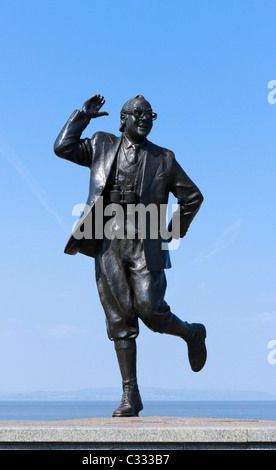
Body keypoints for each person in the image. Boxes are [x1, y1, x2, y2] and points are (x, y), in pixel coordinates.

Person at [54, 94, 206, 417]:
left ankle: (192, 333)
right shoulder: (101, 145)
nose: (144, 118)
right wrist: (82, 116)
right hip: (107, 236)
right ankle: (130, 395)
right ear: (122, 119)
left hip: (145, 238)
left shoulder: (164, 159)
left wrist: (172, 230)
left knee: (150, 309)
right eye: (137, 113)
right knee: (119, 317)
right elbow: (62, 148)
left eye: (149, 114)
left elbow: (192, 197)